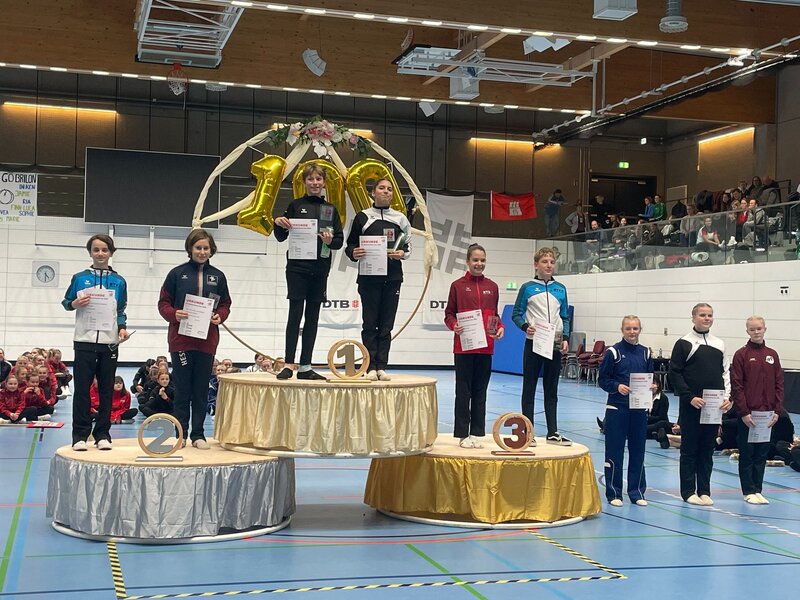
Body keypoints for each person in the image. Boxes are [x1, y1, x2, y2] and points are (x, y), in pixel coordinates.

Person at [158, 229, 231, 449]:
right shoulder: (176, 274)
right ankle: (180, 434)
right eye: (198, 247)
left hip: (206, 342)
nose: (202, 252)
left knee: (200, 390)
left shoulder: (218, 276)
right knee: (182, 389)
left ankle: (198, 435)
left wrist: (220, 316)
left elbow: (225, 303)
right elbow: (163, 303)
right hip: (181, 340)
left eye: (206, 248)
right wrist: (174, 314)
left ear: (211, 250)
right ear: (190, 249)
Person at [274, 162, 344, 380]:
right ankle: (288, 364)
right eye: (311, 179)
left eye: (318, 179)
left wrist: (330, 241)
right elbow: (281, 236)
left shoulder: (331, 209)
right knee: (294, 314)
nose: (315, 183)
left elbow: (339, 241)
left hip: (320, 270)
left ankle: (305, 366)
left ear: (324, 183)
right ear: (304, 182)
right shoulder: (295, 205)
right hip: (297, 269)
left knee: (312, 318)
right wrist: (278, 223)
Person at [62, 234, 128, 451]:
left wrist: (122, 328)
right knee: (82, 389)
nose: (100, 254)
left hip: (109, 343)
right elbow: (66, 302)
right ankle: (80, 435)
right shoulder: (79, 278)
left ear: (111, 252)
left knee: (107, 389)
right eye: (96, 250)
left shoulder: (119, 281)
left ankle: (102, 434)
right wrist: (74, 303)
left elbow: (121, 310)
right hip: (84, 340)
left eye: (104, 250)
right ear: (90, 252)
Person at [345, 178, 412, 381]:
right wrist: (353, 252)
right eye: (381, 188)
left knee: (386, 326)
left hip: (392, 278)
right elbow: (350, 245)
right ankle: (369, 367)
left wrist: (402, 254)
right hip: (369, 279)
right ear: (373, 193)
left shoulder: (401, 218)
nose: (386, 191)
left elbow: (408, 246)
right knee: (370, 324)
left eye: (389, 189)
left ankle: (381, 366)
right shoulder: (362, 217)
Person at [668, 303, 731, 506]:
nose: (706, 318)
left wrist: (727, 397)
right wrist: (689, 397)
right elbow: (675, 373)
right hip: (692, 406)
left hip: (714, 407)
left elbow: (725, 372)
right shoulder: (684, 343)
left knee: (707, 449)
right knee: (689, 450)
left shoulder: (719, 344)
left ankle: (704, 490)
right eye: (702, 315)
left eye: (709, 315)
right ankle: (688, 491)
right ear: (693, 317)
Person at [444, 244, 505, 448]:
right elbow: (449, 314)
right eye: (475, 260)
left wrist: (500, 327)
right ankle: (462, 434)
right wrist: (454, 325)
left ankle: (477, 433)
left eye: (482, 260)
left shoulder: (492, 287)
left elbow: (495, 315)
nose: (479, 264)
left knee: (481, 392)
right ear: (468, 262)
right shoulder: (457, 286)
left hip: (486, 348)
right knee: (463, 392)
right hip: (464, 348)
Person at [512, 247, 571, 445]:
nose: (549, 265)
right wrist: (525, 327)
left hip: (554, 344)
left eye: (552, 262)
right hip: (534, 343)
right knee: (529, 388)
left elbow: (565, 316)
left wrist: (566, 337)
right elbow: (516, 314)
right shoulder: (527, 288)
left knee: (551, 389)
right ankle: (527, 432)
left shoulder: (560, 288)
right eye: (545, 261)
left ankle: (552, 432)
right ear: (536, 264)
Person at [598, 315, 656, 506]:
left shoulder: (646, 353)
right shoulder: (613, 352)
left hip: (639, 408)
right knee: (614, 451)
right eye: (628, 328)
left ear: (640, 330)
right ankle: (614, 493)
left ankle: (637, 492)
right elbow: (603, 379)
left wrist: (653, 387)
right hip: (617, 408)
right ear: (622, 330)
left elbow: (650, 378)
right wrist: (617, 387)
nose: (632, 332)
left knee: (638, 450)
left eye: (635, 328)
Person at [731, 316, 783, 505]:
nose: (756, 332)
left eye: (759, 328)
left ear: (765, 329)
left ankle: (758, 489)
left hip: (767, 414)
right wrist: (744, 412)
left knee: (761, 453)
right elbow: (737, 386)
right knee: (747, 453)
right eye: (752, 329)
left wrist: (777, 410)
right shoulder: (741, 355)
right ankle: (748, 490)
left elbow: (779, 383)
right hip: (749, 415)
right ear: (747, 331)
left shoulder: (772, 354)